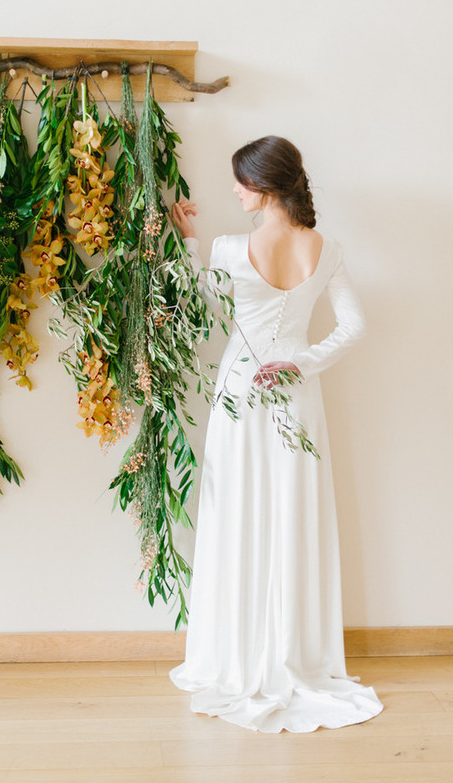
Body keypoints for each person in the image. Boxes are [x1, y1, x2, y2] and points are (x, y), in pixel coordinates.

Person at [168, 135, 384, 733]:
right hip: (295, 392)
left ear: (263, 187)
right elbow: (354, 327)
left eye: (240, 182)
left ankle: (235, 656)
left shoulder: (231, 248)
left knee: (237, 511)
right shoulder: (327, 247)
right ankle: (293, 651)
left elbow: (202, 305)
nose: (235, 191)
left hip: (241, 387)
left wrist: (188, 238)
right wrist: (301, 363)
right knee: (291, 511)